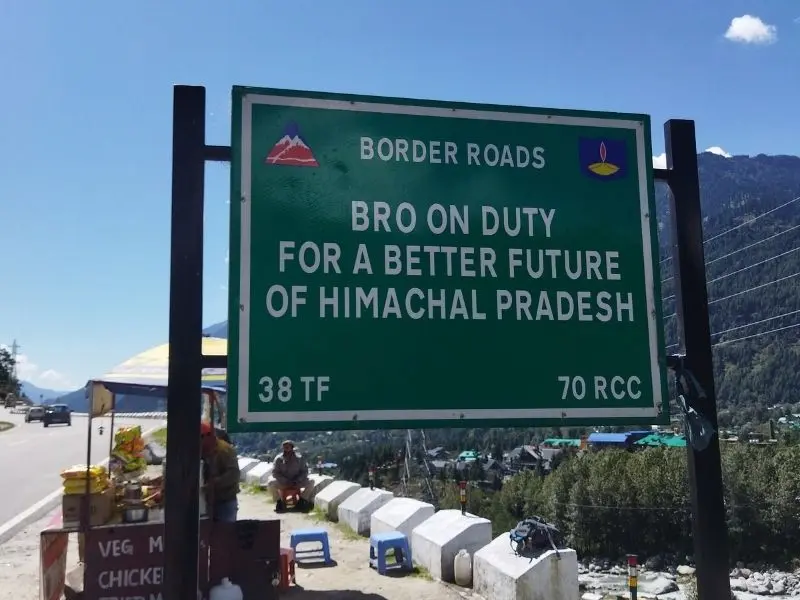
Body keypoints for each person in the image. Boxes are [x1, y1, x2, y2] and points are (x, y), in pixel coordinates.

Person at [200, 421, 240, 522]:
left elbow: (233, 474)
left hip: (225, 502)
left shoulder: (224, 450)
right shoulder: (203, 450)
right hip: (208, 501)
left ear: (208, 436)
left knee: (225, 530)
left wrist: (214, 483)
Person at [269, 440, 312, 511]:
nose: (285, 450)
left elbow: (304, 471)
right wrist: (285, 481)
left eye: (287, 448)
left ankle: (302, 500)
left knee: (311, 482)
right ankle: (279, 502)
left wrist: (297, 480)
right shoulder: (278, 459)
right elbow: (275, 472)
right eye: (284, 448)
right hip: (284, 483)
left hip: (297, 482)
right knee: (271, 483)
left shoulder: (299, 458)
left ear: (292, 448)